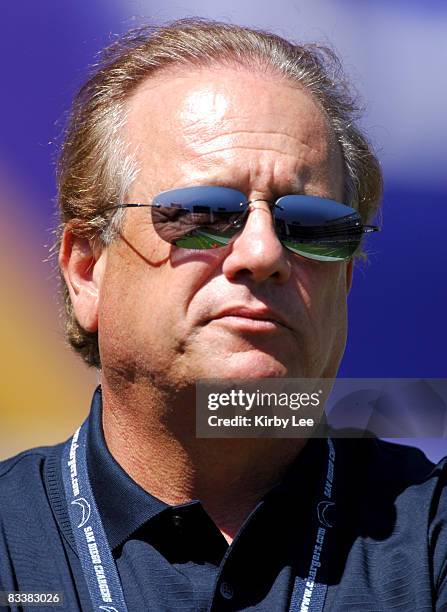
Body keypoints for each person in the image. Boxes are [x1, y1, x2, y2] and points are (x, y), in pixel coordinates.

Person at [0, 18, 445, 612]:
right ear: (86, 270)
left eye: (311, 224)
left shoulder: (431, 539)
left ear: (347, 276)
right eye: (206, 212)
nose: (264, 254)